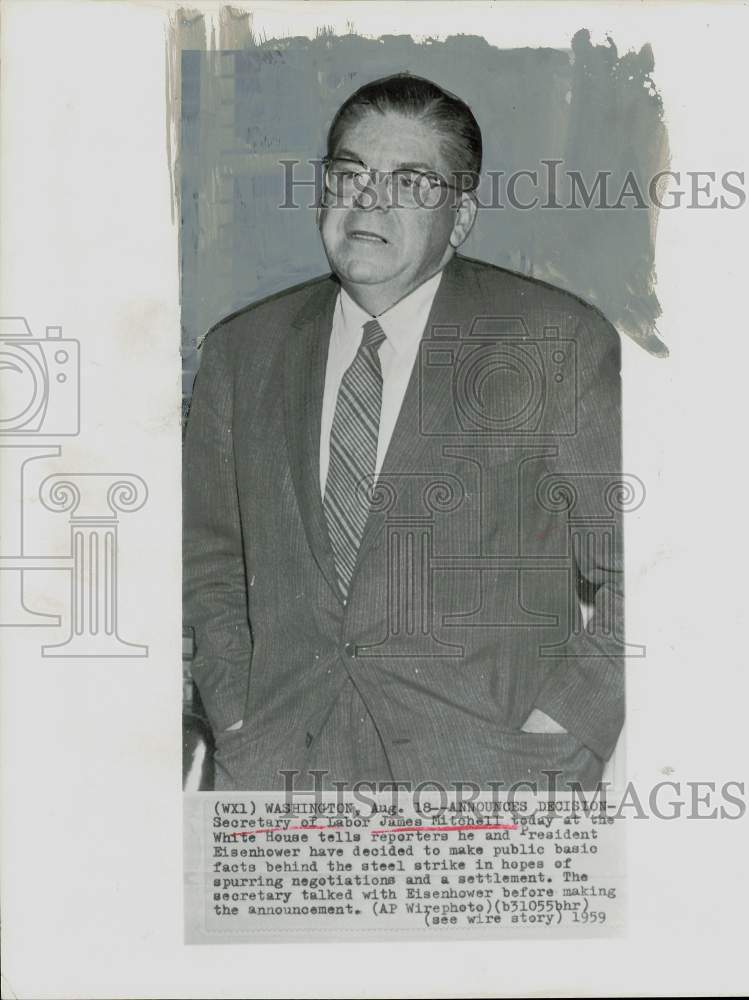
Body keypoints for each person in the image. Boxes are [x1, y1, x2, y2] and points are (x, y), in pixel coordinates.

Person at [183, 73, 624, 792]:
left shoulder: (555, 343)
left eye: (412, 181)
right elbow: (208, 564)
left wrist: (559, 737)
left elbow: (641, 578)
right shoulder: (242, 351)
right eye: (350, 172)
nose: (369, 198)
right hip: (281, 787)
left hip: (490, 792)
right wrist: (236, 718)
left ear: (463, 216)